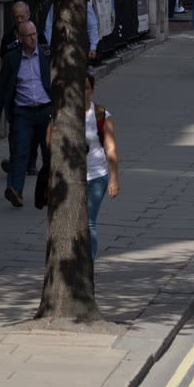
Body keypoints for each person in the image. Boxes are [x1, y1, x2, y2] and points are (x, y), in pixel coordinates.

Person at [0, 19, 53, 208]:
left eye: (35, 34)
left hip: (46, 110)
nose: (33, 38)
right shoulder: (11, 59)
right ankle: (15, 190)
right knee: (19, 151)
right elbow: (2, 87)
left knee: (49, 152)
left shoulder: (46, 55)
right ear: (20, 38)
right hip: (22, 112)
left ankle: (49, 191)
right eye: (29, 36)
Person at [81, 73, 119, 260]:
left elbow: (110, 148)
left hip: (96, 175)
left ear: (92, 90)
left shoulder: (101, 114)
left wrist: (114, 178)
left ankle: (88, 265)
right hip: (70, 177)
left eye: (86, 88)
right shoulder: (63, 112)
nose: (82, 92)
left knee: (88, 223)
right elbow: (49, 143)